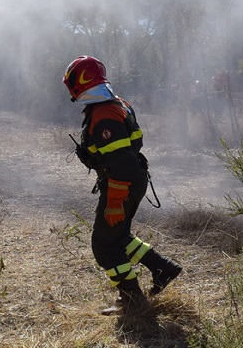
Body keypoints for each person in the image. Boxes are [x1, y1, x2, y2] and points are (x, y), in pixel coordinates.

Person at [63, 56, 182, 316]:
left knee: (104, 246)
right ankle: (162, 268)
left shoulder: (104, 113)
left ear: (79, 83)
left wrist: (115, 201)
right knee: (117, 236)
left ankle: (132, 301)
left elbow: (122, 163)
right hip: (130, 181)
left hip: (122, 184)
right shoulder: (116, 104)